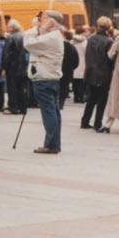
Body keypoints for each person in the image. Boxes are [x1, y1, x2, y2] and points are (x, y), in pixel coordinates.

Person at [23, 10, 69, 154]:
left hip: (44, 78)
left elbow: (29, 43)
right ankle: (54, 143)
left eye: (45, 19)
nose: (42, 21)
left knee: (49, 111)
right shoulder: (53, 36)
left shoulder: (51, 38)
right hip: (49, 77)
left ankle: (51, 144)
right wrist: (40, 29)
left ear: (51, 22)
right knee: (53, 110)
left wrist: (34, 28)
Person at [80, 17, 114, 130]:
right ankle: (97, 122)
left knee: (91, 98)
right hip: (103, 73)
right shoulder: (109, 41)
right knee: (102, 100)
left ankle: (85, 120)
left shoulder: (91, 39)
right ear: (108, 27)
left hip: (90, 71)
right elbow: (110, 59)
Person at [1, 18, 30, 115]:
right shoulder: (24, 36)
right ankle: (23, 107)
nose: (6, 28)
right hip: (23, 66)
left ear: (12, 27)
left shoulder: (10, 37)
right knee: (22, 87)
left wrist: (4, 68)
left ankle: (13, 107)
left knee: (12, 88)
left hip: (12, 67)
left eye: (8, 26)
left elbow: (6, 54)